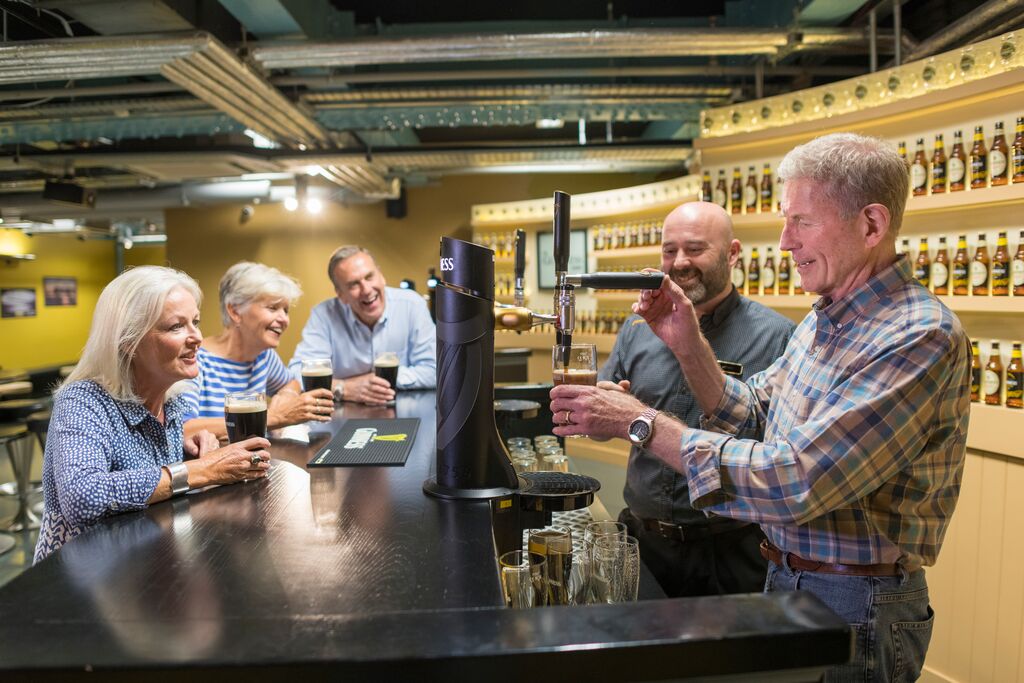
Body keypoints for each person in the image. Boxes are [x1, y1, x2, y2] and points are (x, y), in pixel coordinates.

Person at [551, 133, 970, 682]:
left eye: (802, 222)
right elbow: (752, 414)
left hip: (855, 599)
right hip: (787, 577)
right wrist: (687, 343)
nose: (785, 242)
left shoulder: (916, 335)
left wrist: (639, 422)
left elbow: (794, 480)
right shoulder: (823, 321)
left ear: (871, 224)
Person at [599, 201, 794, 598]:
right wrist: (605, 409)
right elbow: (602, 425)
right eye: (669, 250)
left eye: (694, 249)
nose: (679, 262)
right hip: (644, 545)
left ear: (733, 253)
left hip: (729, 552)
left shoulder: (779, 337)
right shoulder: (637, 328)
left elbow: (777, 454)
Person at [35, 266, 270, 563]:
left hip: (147, 565)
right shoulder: (83, 400)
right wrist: (201, 470)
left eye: (195, 322)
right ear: (129, 341)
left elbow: (153, 481)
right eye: (176, 326)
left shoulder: (173, 400)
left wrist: (189, 452)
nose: (197, 337)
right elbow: (82, 496)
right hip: (80, 577)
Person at [182, 262, 334, 441]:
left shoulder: (263, 356)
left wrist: (288, 394)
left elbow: (290, 382)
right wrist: (276, 417)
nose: (284, 319)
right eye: (273, 308)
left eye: (286, 310)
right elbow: (183, 429)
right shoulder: (194, 360)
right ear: (235, 311)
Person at [289, 245, 435, 406]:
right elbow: (296, 374)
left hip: (405, 409)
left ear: (381, 276)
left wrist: (374, 382)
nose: (366, 290)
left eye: (369, 277)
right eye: (353, 284)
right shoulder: (323, 315)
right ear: (340, 294)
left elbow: (435, 370)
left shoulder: (412, 305)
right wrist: (343, 388)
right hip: (342, 414)